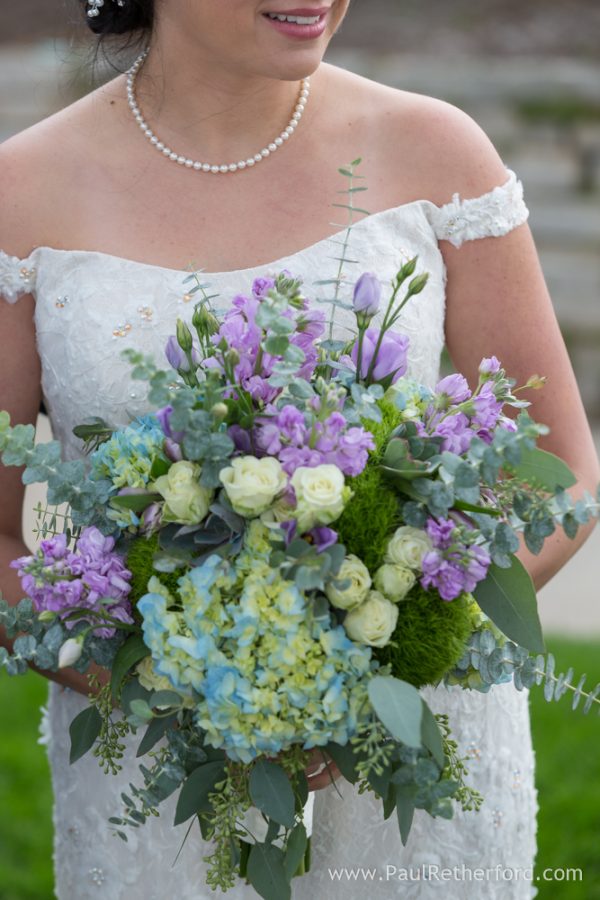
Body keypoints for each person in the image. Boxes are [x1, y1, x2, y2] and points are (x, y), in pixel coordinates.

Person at [0, 1, 598, 897]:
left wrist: (393, 648)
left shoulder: (437, 152)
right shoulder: (23, 190)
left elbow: (562, 470)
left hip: (421, 760)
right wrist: (181, 686)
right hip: (164, 785)